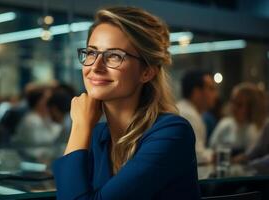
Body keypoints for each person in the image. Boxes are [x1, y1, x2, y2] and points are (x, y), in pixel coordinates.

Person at [52, 7, 200, 200]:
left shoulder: (172, 132)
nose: (95, 67)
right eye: (91, 53)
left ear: (147, 72)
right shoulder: (98, 136)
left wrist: (80, 125)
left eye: (114, 56)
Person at [210, 83, 267, 156]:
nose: (234, 108)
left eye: (239, 105)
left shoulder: (258, 129)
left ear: (251, 107)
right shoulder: (224, 124)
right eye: (232, 102)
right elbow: (211, 150)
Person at [177, 70, 218, 164]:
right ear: (197, 92)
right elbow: (197, 156)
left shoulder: (188, 111)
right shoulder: (188, 115)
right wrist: (215, 155)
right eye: (211, 89)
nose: (215, 95)